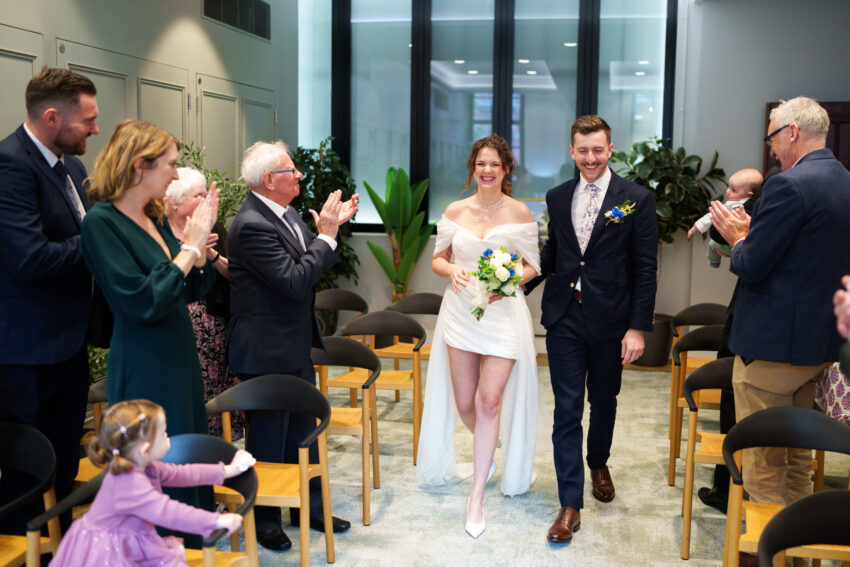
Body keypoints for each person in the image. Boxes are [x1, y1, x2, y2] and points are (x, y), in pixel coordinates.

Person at [711, 96, 850, 564]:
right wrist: (758, 232)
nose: (770, 149)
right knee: (798, 457)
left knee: (765, 460)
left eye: (772, 137)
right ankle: (800, 552)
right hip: (818, 346)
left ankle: (767, 554)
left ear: (792, 132)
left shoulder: (789, 186)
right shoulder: (844, 181)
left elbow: (751, 265)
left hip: (772, 350)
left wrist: (739, 237)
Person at [528, 115, 657, 543]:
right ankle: (570, 504)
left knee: (603, 400)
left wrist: (637, 328)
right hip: (565, 316)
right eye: (582, 151)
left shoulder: (636, 198)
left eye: (597, 150)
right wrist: (514, 283)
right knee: (566, 409)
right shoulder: (557, 195)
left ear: (610, 149)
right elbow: (555, 255)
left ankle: (598, 461)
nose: (590, 158)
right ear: (572, 151)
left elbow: (646, 268)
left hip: (611, 321)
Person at [227, 140, 357, 551]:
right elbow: (293, 280)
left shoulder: (286, 213)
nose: (299, 175)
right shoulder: (251, 225)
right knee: (268, 440)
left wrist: (326, 238)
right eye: (291, 171)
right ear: (269, 180)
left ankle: (310, 510)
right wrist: (327, 238)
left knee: (306, 431)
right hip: (265, 349)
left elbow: (308, 267)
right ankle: (265, 520)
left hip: (294, 342)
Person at [416, 134, 541, 539]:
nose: (487, 171)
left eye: (495, 164)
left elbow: (531, 267)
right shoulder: (455, 210)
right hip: (460, 314)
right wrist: (450, 270)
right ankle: (491, 444)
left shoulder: (520, 212)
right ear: (473, 168)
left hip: (502, 315)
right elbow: (439, 258)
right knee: (465, 401)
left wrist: (507, 283)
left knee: (489, 402)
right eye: (481, 164)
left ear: (506, 170)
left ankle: (476, 497)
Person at [0, 67, 99, 530]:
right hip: (27, 352)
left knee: (64, 461)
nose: (95, 130)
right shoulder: (10, 165)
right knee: (28, 477)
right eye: (88, 120)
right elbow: (30, 258)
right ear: (53, 117)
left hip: (70, 342)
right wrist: (102, 240)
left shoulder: (73, 168)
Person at [50, 399, 253, 567]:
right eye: (164, 434)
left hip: (131, 540)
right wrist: (214, 521)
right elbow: (168, 512)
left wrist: (228, 470)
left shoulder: (144, 465)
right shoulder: (129, 483)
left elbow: (183, 473)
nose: (168, 437)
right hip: (107, 551)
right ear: (145, 449)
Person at [695, 169, 764, 514]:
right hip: (757, 318)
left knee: (731, 402)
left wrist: (735, 244)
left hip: (748, 318)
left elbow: (746, 262)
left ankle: (727, 488)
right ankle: (735, 486)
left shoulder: (764, 208)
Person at [165, 167, 242, 438]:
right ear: (175, 201)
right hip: (177, 327)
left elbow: (236, 274)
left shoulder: (216, 229)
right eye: (198, 195)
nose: (205, 201)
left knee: (216, 391)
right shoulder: (159, 232)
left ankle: (217, 446)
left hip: (213, 324)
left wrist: (211, 257)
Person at [687, 168, 762, 268]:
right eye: (729, 187)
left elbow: (713, 215)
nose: (727, 192)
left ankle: (714, 262)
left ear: (748, 195)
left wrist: (697, 226)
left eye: (733, 190)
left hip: (737, 245)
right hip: (749, 246)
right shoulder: (758, 203)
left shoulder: (734, 204)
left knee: (712, 244)